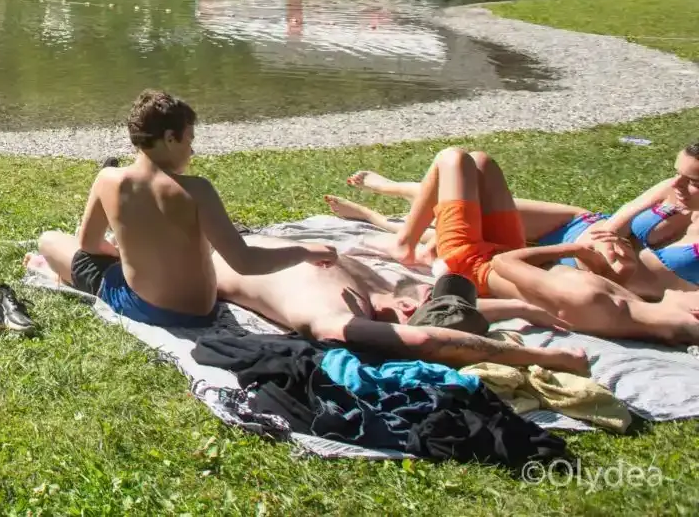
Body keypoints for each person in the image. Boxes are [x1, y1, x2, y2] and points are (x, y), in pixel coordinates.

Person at [36, 90, 335, 327]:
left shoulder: (108, 180)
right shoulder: (197, 190)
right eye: (189, 139)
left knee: (49, 240)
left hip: (143, 306)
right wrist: (305, 252)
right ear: (169, 138)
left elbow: (89, 245)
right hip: (200, 312)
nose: (192, 150)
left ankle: (69, 271)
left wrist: (122, 255)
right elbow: (244, 261)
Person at [386, 146, 699, 344]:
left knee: (452, 158)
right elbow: (606, 283)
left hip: (473, 266)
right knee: (481, 162)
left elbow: (503, 265)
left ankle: (405, 244)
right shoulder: (629, 308)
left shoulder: (590, 300)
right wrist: (616, 266)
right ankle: (417, 233)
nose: (689, 293)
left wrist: (571, 251)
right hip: (510, 258)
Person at [208, 240, 587, 372]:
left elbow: (427, 331)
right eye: (430, 300)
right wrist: (544, 355)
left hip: (221, 249)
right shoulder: (342, 306)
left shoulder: (349, 306)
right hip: (219, 250)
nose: (425, 300)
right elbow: (426, 337)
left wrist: (519, 308)